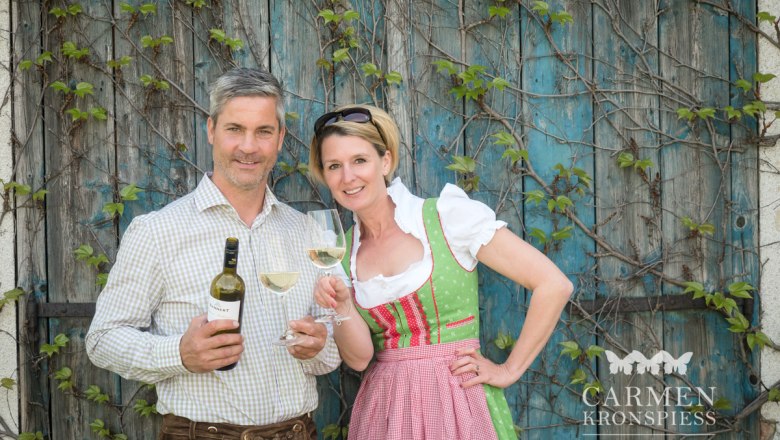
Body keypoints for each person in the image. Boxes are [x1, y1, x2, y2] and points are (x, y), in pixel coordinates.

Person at [86, 67, 340, 440]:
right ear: (211, 130)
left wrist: (319, 345)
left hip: (297, 432)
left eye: (264, 131)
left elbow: (331, 348)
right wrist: (179, 354)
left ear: (281, 138)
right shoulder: (157, 232)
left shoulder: (307, 232)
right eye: (235, 129)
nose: (248, 146)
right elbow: (102, 340)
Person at [308, 104, 574, 439]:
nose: (348, 177)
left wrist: (509, 369)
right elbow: (360, 360)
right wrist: (344, 307)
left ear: (385, 161)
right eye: (334, 166)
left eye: (359, 160)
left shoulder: (445, 218)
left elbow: (553, 284)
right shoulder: (341, 253)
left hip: (459, 403)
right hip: (385, 412)